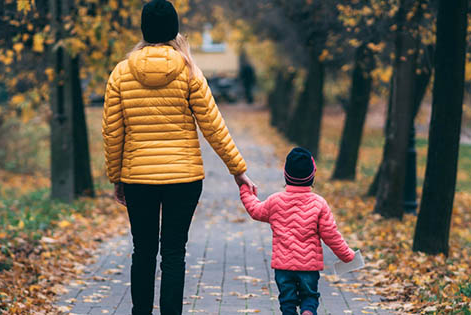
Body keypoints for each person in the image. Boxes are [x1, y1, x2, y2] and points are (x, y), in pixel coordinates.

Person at [101, 0, 256, 314]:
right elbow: (213, 125)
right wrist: (237, 170)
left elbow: (113, 133)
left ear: (144, 30)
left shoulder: (120, 73)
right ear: (174, 29)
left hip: (138, 179)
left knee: (142, 251)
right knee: (174, 253)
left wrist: (116, 177)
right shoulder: (189, 71)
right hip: (183, 180)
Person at [239, 147, 355, 315]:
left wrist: (245, 188)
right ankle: (308, 311)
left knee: (287, 301)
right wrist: (348, 256)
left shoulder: (275, 201)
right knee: (310, 297)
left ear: (286, 174)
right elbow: (331, 235)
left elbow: (255, 210)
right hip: (309, 267)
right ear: (312, 175)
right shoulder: (319, 204)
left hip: (283, 267)